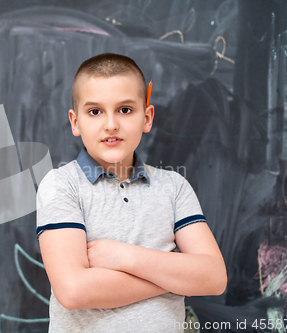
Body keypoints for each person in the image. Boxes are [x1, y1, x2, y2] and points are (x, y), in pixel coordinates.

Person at [35, 52, 227, 333]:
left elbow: (214, 278)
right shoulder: (61, 184)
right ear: (75, 122)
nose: (111, 124)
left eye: (125, 110)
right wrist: (175, 278)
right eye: (95, 111)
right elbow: (74, 290)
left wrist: (123, 256)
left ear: (147, 117)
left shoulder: (174, 187)